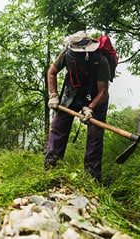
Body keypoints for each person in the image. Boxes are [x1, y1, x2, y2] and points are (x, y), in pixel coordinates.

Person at [44, 31, 111, 181]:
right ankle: (51, 170)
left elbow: (103, 91)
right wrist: (53, 95)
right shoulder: (66, 54)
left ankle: (92, 178)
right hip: (73, 92)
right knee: (58, 127)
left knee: (95, 135)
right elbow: (52, 73)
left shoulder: (101, 61)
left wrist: (91, 108)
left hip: (97, 96)